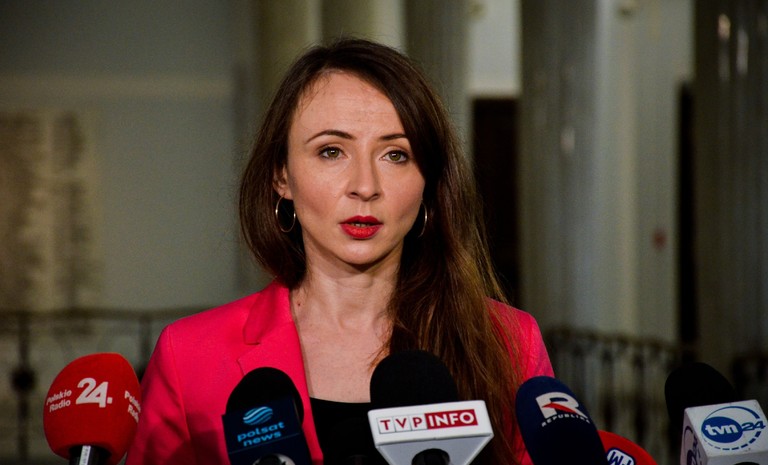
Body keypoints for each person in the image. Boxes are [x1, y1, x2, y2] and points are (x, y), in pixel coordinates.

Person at [126, 37, 553, 465]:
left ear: (428, 183)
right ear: (282, 176)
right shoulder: (188, 357)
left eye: (395, 155)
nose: (365, 186)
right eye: (331, 151)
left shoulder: (509, 343)